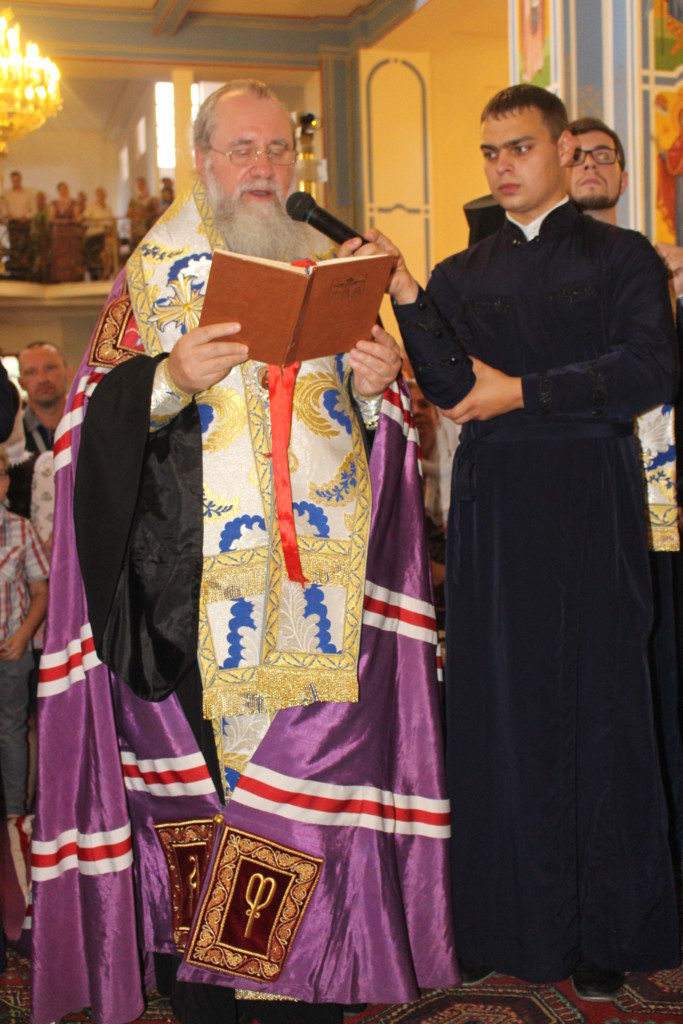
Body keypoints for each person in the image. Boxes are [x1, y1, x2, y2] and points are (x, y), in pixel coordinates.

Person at [31, 79, 457, 1024]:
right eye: (241, 149)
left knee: (308, 811)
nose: (263, 167)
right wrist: (167, 378)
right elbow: (80, 434)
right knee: (209, 818)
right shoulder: (149, 279)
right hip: (189, 604)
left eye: (277, 149)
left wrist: (377, 389)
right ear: (202, 161)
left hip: (319, 606)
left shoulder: (331, 274)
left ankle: (304, 1002)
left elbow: (375, 433)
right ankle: (214, 1005)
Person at [354, 83, 680, 998]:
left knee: (602, 707)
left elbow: (648, 370)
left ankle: (605, 931)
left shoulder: (620, 257)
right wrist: (407, 292)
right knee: (497, 711)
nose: (502, 167)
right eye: (490, 152)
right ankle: (500, 923)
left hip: (591, 496)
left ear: (564, 149)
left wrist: (522, 393)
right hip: (494, 510)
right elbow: (446, 382)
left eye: (520, 149)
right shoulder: (460, 273)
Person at [567, 116, 683, 850]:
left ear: (624, 176)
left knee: (663, 679)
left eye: (602, 156)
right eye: (576, 155)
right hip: (582, 508)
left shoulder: (658, 267)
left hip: (662, 512)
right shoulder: (539, 273)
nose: (589, 166)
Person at [0, 444, 49, 818]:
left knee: (12, 731)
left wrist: (23, 635)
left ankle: (15, 814)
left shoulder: (21, 529)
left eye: (0, 475)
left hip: (11, 651)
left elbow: (40, 591)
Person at [18, 342, 69, 453]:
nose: (42, 379)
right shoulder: (11, 436)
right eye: (31, 372)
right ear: (21, 383)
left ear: (68, 373)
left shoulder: (90, 424)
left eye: (50, 368)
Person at [1, 171, 36, 279]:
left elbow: (33, 210)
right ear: (11, 181)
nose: (15, 182)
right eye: (13, 180)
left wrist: (27, 216)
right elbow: (3, 208)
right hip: (13, 223)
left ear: (20, 180)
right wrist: (6, 214)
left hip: (24, 223)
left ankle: (25, 271)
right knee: (13, 247)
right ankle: (14, 271)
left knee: (25, 247)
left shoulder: (28, 193)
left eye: (17, 180)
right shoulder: (7, 194)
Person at [49, 182, 83, 282]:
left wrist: (69, 221)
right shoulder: (54, 203)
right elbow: (51, 218)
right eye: (61, 189)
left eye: (65, 189)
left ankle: (72, 277)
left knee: (71, 253)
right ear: (58, 190)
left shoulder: (73, 202)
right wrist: (60, 221)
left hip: (70, 231)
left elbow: (77, 217)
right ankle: (59, 277)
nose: (63, 191)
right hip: (59, 232)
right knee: (59, 253)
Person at [82, 187, 116, 280]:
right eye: (100, 195)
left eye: (103, 195)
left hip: (106, 234)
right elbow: (84, 218)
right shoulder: (91, 207)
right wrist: (95, 221)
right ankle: (98, 272)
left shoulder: (108, 208)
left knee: (109, 249)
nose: (101, 196)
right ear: (96, 195)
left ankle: (107, 272)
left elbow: (111, 222)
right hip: (94, 235)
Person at [127, 175, 158, 249]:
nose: (140, 186)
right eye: (139, 185)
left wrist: (145, 214)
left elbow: (155, 213)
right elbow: (128, 213)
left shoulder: (151, 199)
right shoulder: (133, 200)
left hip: (146, 228)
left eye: (142, 184)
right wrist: (135, 214)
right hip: (136, 229)